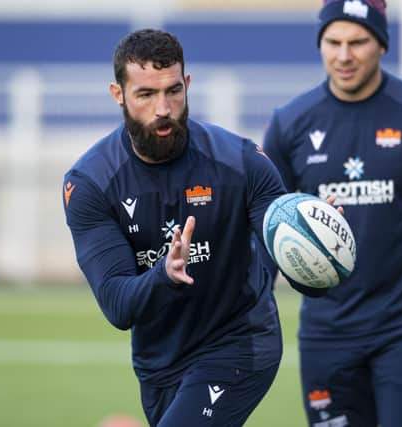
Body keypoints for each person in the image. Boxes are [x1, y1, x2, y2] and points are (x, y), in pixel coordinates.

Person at [62, 28, 304, 426]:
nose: (163, 108)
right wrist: (165, 276)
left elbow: (299, 270)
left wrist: (318, 242)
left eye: (173, 91)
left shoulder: (242, 163)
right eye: (145, 94)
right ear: (117, 94)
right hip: (159, 360)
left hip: (239, 342)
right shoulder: (92, 183)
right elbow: (118, 305)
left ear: (187, 84)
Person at [262, 1, 402, 426]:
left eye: (358, 42)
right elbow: (264, 223)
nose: (344, 55)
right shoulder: (290, 123)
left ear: (380, 45)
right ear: (320, 44)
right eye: (333, 42)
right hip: (326, 330)